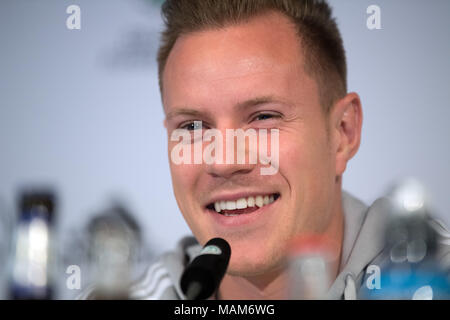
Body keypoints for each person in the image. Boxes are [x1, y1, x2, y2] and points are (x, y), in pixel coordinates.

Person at [79, 0, 450, 300]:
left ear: (342, 132)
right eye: (193, 127)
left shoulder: (436, 279)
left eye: (263, 117)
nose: (224, 161)